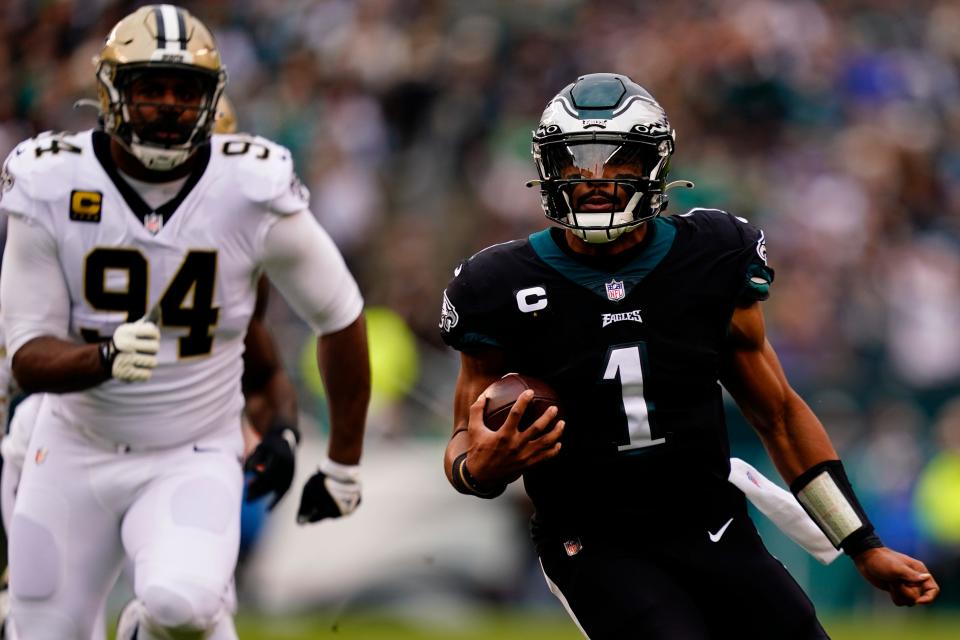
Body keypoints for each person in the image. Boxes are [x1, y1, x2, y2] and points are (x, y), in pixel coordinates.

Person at [440, 73, 938, 639]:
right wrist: (478, 470)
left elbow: (776, 414)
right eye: (575, 160)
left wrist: (863, 545)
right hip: (594, 542)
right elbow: (462, 440)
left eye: (620, 158)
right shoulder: (497, 284)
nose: (595, 178)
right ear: (549, 170)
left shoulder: (714, 254)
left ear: (655, 165)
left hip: (711, 523)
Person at [0, 5, 371, 639]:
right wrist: (104, 358)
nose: (170, 105)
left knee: (185, 604)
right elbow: (24, 355)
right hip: (68, 445)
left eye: (186, 90)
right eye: (151, 89)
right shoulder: (52, 179)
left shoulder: (249, 185)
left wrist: (333, 458)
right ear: (113, 92)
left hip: (190, 450)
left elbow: (337, 314)